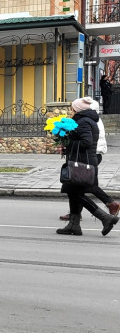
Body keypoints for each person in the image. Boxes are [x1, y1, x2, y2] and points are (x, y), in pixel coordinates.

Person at [56, 97, 118, 237]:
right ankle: (74, 224)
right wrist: (67, 149)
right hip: (84, 160)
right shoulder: (86, 120)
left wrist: (68, 144)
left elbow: (86, 142)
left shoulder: (83, 121)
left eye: (72, 108)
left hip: (82, 163)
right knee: (73, 192)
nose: (71, 110)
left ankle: (105, 218)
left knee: (76, 193)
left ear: (77, 109)